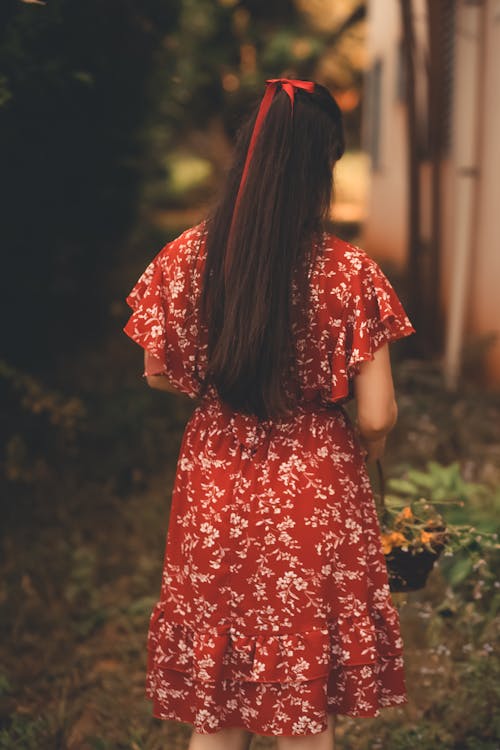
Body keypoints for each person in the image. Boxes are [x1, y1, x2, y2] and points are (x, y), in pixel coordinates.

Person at [123, 78, 415, 750]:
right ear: (320, 166)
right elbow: (376, 413)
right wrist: (359, 447)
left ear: (243, 155)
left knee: (218, 715)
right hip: (313, 489)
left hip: (215, 485)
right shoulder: (348, 273)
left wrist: (223, 392)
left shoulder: (186, 259)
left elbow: (160, 372)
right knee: (304, 715)